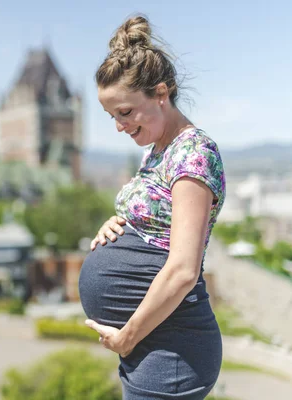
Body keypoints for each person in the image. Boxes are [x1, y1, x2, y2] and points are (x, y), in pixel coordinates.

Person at [78, 15, 226, 400]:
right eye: (112, 116)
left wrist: (127, 337)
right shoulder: (156, 153)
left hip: (173, 349)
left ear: (162, 93)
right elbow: (154, 222)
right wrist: (117, 225)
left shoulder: (193, 153)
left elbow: (181, 270)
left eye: (126, 112)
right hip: (153, 341)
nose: (119, 126)